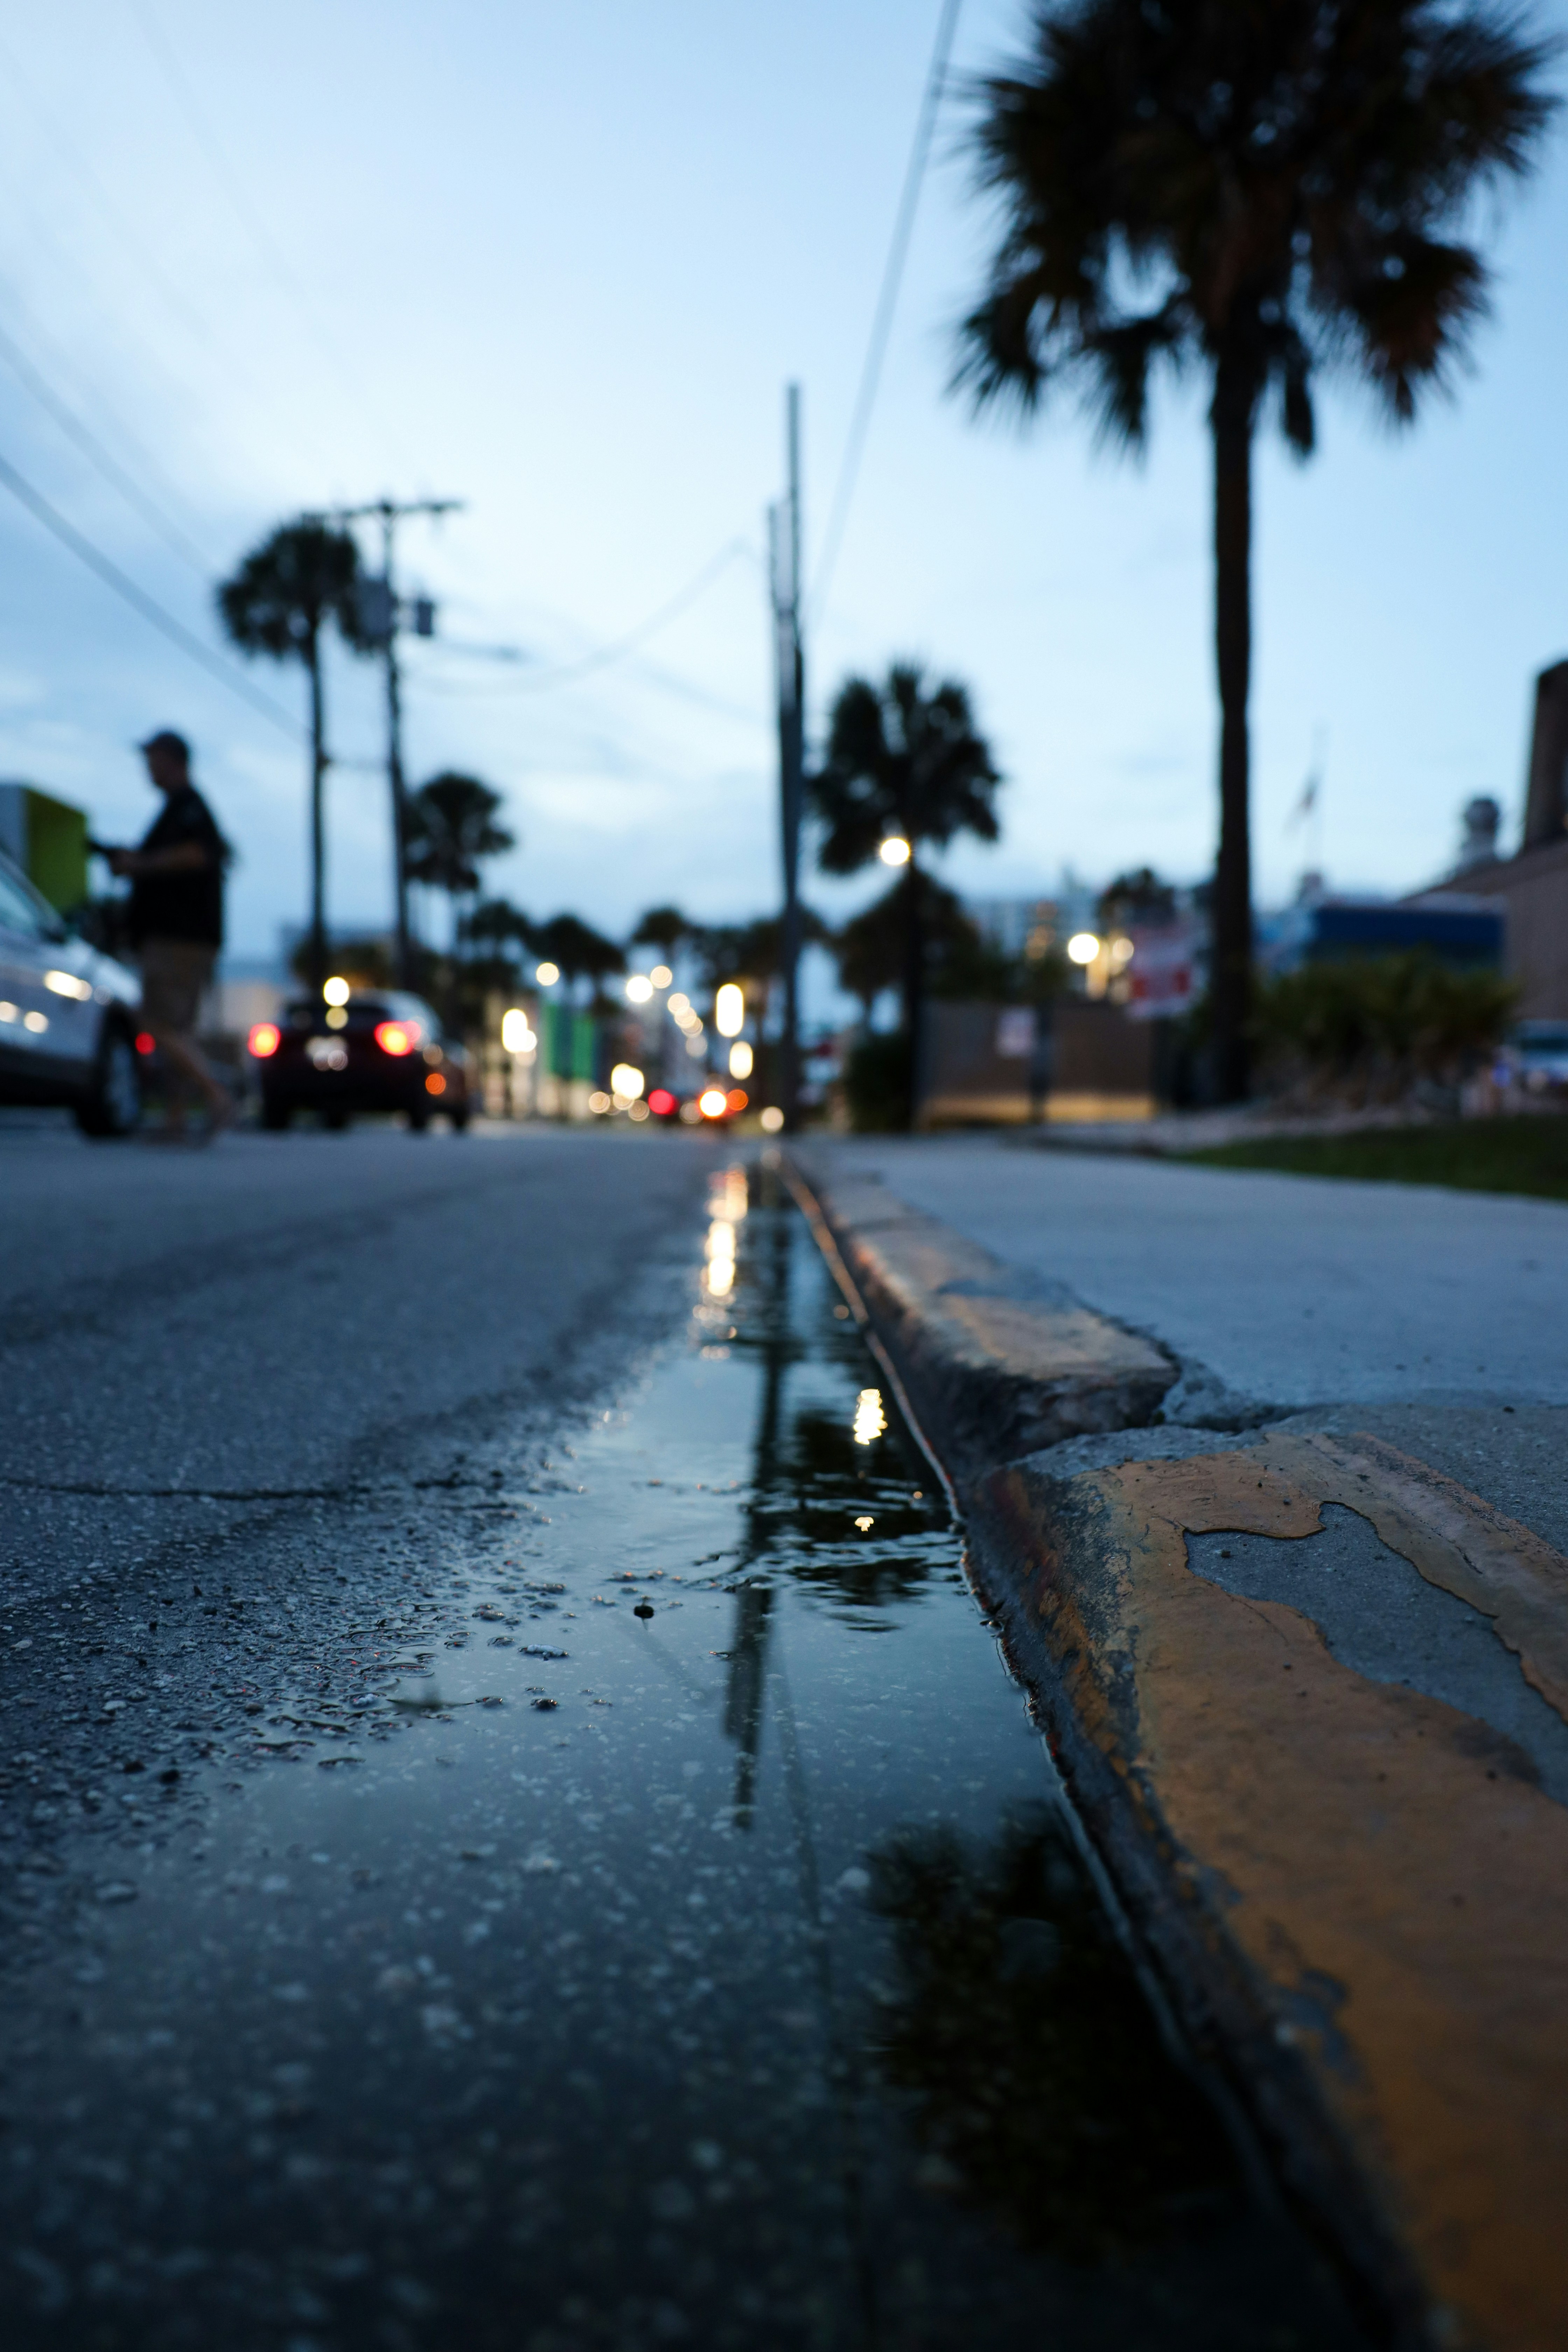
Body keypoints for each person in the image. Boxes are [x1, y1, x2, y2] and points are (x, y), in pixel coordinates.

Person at [101, 730, 234, 1141]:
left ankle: (216, 1095)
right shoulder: (175, 810)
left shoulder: (190, 808)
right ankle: (175, 1118)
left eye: (153, 758)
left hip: (180, 937)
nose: (148, 768)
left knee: (155, 1021)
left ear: (172, 760)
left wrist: (139, 864)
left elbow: (196, 854)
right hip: (179, 937)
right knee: (177, 1028)